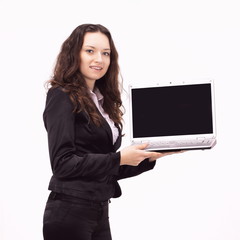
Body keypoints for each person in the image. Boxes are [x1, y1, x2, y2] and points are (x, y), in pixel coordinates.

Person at [42, 23, 180, 240]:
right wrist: (119, 158)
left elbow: (106, 169)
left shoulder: (99, 100)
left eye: (106, 53)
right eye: (90, 51)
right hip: (69, 211)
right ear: (74, 53)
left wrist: (149, 157)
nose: (99, 59)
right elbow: (62, 164)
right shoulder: (61, 95)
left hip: (99, 210)